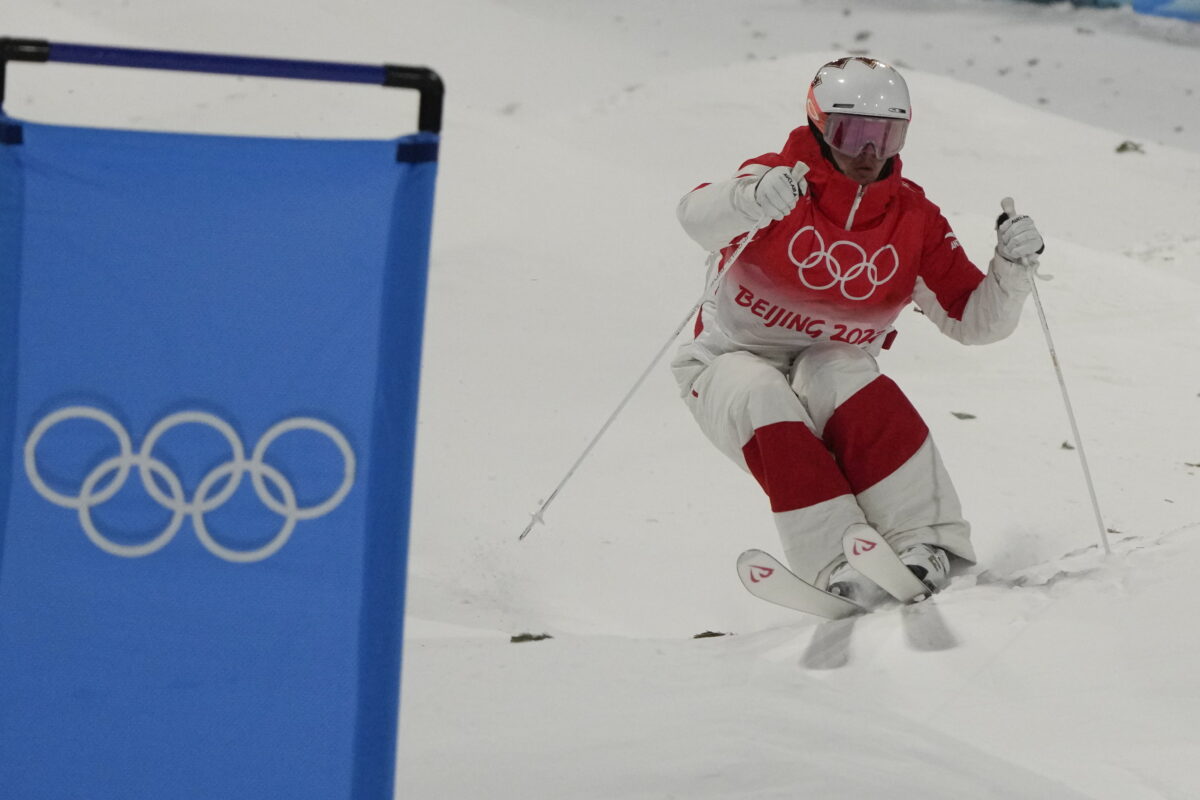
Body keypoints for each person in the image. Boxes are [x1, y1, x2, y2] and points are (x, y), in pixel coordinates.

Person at [672, 56, 1045, 605]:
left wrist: (1010, 272)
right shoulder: (776, 182)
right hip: (727, 363)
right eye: (852, 134)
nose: (869, 152)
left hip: (827, 364)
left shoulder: (912, 220)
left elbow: (974, 320)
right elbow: (694, 217)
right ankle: (835, 563)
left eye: (887, 136)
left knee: (841, 371)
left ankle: (925, 543)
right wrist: (747, 199)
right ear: (820, 126)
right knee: (761, 390)